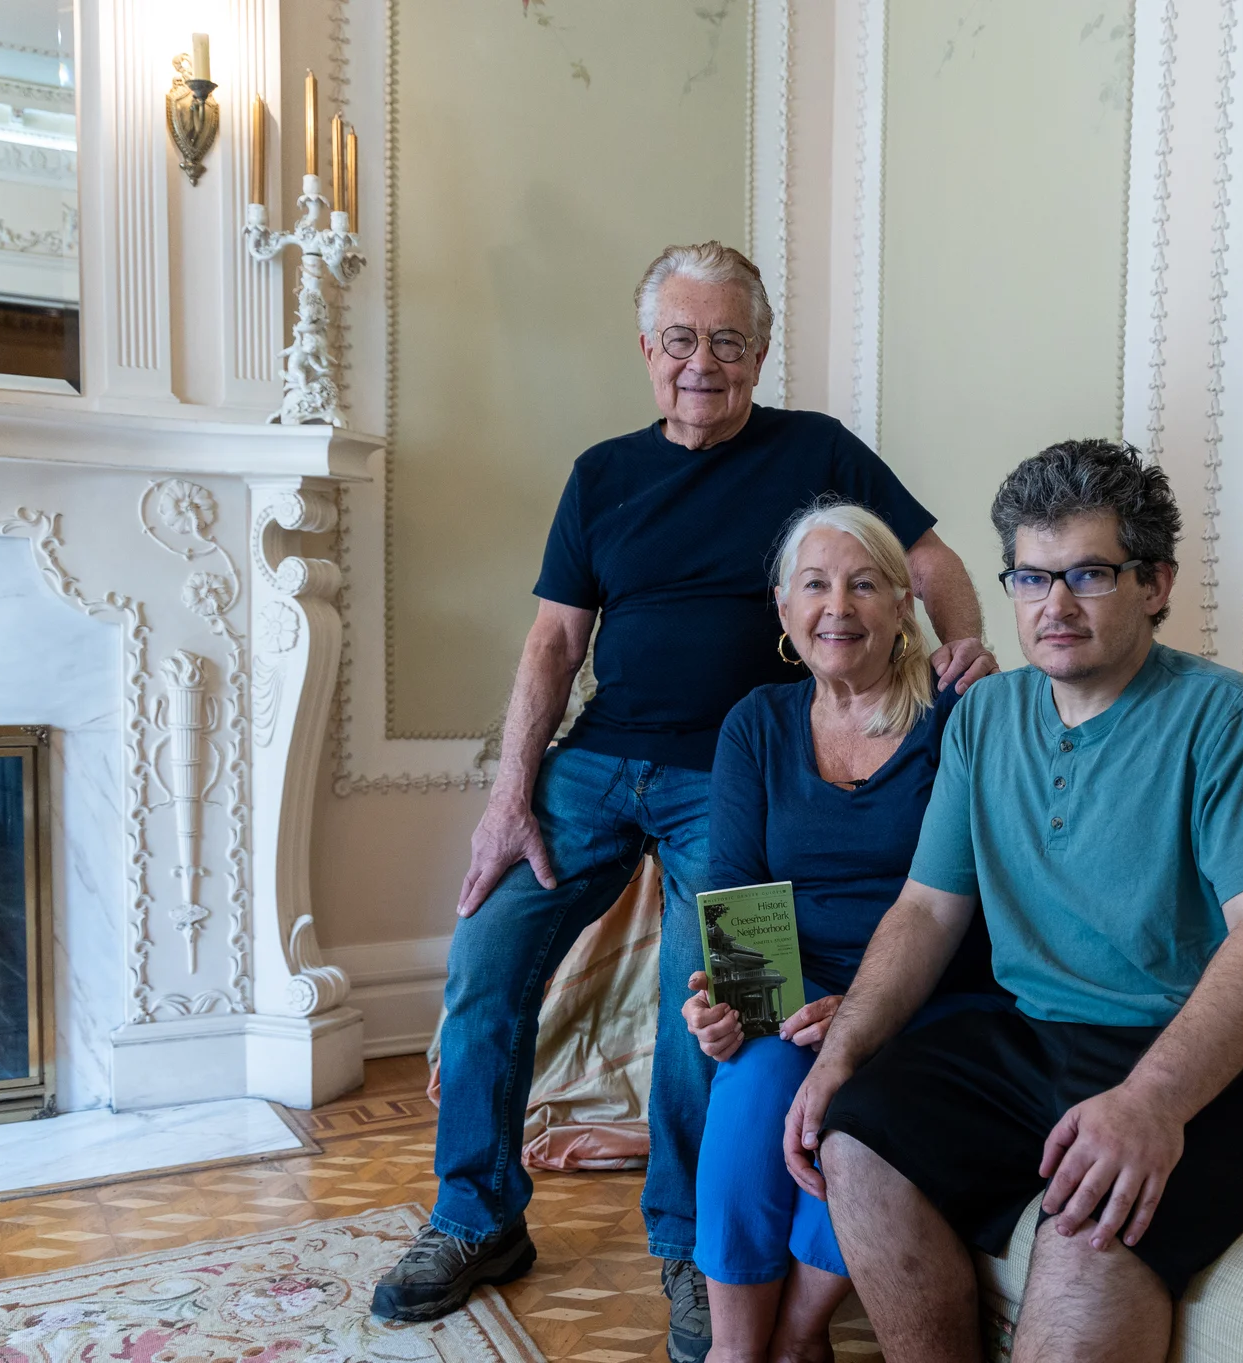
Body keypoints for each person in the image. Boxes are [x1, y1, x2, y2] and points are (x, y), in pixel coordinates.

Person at [371, 242, 998, 1363]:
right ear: (644, 350)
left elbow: (927, 558)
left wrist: (965, 652)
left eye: (724, 341)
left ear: (758, 352)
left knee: (705, 992)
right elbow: (557, 637)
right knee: (483, 953)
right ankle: (473, 1217)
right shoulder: (601, 473)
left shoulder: (814, 450)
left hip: (735, 766)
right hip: (599, 757)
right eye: (678, 339)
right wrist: (510, 790)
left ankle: (688, 1246)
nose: (700, 364)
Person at [782, 440, 1243, 1363]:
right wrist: (844, 1055)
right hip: (1053, 1035)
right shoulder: (983, 717)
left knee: (1087, 1225)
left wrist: (1151, 1102)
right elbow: (926, 909)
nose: (1053, 606)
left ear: (1155, 583)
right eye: (1030, 577)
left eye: (1088, 574)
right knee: (859, 1138)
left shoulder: (1226, 718)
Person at [683, 500, 1004, 1363]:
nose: (839, 606)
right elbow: (736, 895)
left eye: (865, 584)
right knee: (752, 1094)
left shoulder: (955, 715)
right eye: (816, 585)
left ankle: (795, 1339)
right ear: (785, 610)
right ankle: (734, 1349)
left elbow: (972, 906)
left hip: (925, 994)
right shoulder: (757, 722)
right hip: (788, 990)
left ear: (904, 605)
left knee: (854, 1113)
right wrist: (727, 1005)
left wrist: (862, 1014)